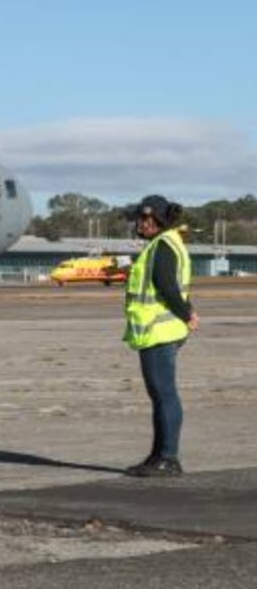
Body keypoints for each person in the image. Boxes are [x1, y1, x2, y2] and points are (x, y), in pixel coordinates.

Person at [123, 195, 198, 478]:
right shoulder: (166, 243)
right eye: (139, 219)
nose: (140, 224)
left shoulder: (162, 246)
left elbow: (167, 286)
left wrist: (187, 314)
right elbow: (177, 286)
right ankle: (158, 457)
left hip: (159, 331)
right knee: (160, 396)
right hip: (162, 331)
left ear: (158, 219)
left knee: (165, 395)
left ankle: (168, 458)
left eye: (145, 218)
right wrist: (188, 310)